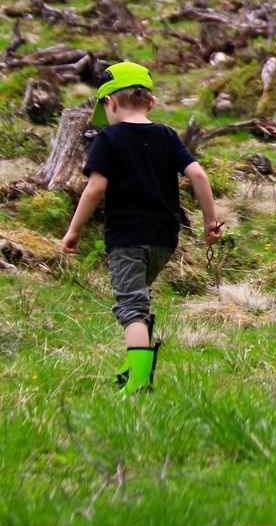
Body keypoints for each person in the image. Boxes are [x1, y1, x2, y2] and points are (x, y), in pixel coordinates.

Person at [60, 62, 222, 395]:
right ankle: (134, 367)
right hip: (164, 238)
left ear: (110, 104)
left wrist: (73, 230)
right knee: (140, 300)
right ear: (150, 102)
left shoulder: (109, 139)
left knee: (131, 306)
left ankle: (138, 383)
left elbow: (94, 189)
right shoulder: (166, 135)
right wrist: (210, 221)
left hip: (127, 237)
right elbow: (199, 176)